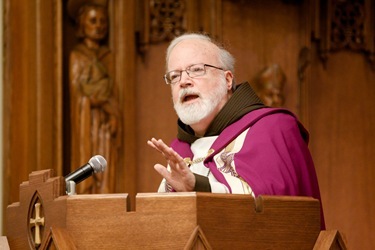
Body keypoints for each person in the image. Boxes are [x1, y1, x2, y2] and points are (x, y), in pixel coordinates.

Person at [147, 33, 324, 228]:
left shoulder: (272, 129)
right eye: (174, 76)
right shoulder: (179, 150)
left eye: (196, 70)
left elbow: (274, 215)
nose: (184, 81)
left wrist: (200, 186)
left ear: (228, 79)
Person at [68, 0, 120, 194]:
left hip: (105, 124)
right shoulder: (78, 55)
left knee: (107, 166)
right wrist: (96, 98)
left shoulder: (108, 56)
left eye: (102, 21)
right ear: (82, 24)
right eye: (93, 21)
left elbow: (113, 92)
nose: (99, 26)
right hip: (87, 122)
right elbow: (78, 92)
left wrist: (113, 113)